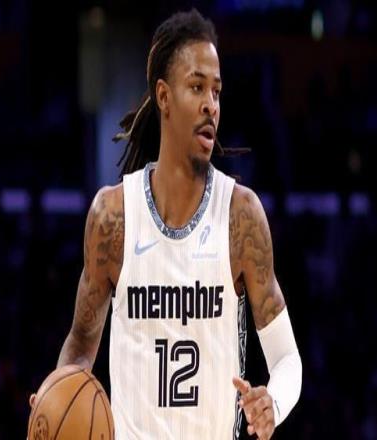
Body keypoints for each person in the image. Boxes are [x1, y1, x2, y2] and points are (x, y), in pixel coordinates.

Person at [32, 9, 302, 439]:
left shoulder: (240, 216)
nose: (211, 104)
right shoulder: (113, 217)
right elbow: (81, 346)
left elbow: (287, 358)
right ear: (163, 96)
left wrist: (274, 401)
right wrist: (56, 396)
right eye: (197, 87)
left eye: (217, 91)